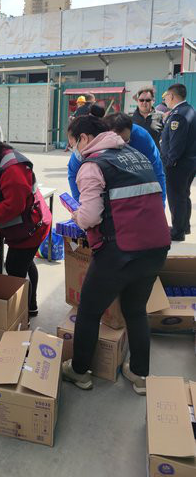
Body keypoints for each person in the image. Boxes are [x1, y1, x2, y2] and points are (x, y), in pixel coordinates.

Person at [62, 114, 170, 394]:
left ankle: (79, 371)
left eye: (73, 143)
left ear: (84, 138)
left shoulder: (92, 165)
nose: (74, 150)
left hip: (119, 252)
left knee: (89, 311)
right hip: (156, 248)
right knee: (135, 310)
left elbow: (90, 216)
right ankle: (140, 375)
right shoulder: (136, 156)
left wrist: (76, 215)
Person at [0, 136, 52, 316]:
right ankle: (31, 306)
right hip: (27, 226)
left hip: (31, 227)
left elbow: (13, 206)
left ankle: (21, 314)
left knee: (15, 268)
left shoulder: (12, 168)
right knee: (25, 264)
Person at [68, 110, 167, 207]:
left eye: (125, 141)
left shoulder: (142, 137)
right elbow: (73, 173)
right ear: (104, 134)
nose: (120, 144)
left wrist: (161, 204)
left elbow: (157, 172)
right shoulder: (90, 142)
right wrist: (80, 205)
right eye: (114, 139)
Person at [161, 83, 196, 241]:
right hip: (188, 162)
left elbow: (176, 143)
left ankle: (177, 232)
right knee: (183, 195)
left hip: (178, 164)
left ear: (172, 96)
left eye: (166, 97)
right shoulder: (189, 110)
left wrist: (170, 162)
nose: (165, 100)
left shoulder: (178, 115)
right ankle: (184, 227)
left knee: (176, 198)